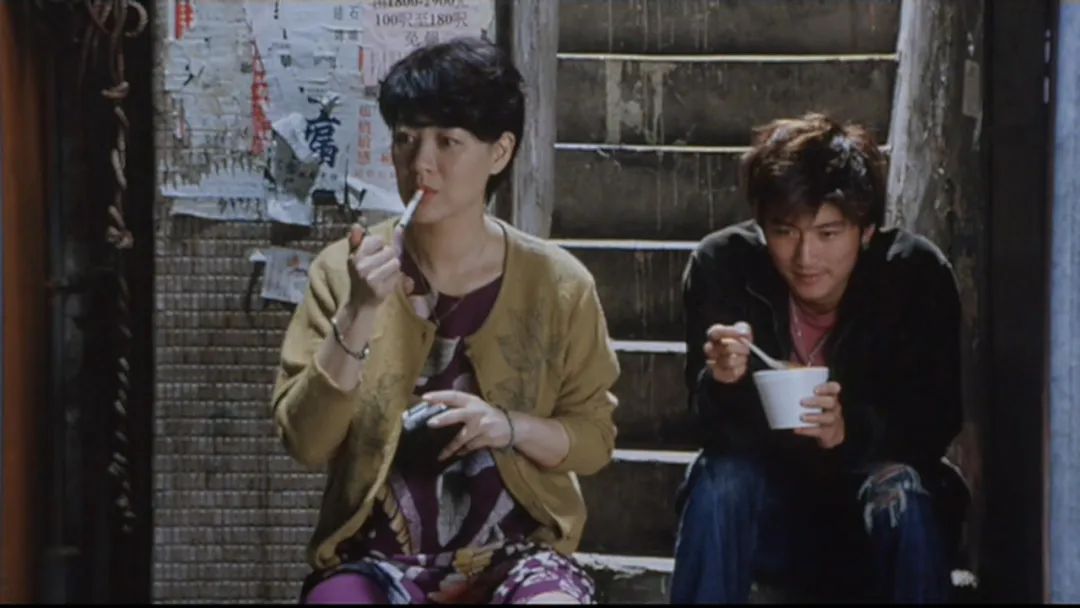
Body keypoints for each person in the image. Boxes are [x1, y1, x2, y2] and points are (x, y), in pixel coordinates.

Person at [271, 37, 620, 605]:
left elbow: (594, 441)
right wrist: (359, 311)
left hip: (518, 556)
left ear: (500, 152)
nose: (420, 164)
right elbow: (305, 442)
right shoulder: (342, 271)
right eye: (405, 139)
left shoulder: (560, 284)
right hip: (376, 559)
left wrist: (505, 427)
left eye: (447, 141)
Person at [671, 113, 969, 603]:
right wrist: (723, 380)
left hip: (872, 521)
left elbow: (937, 418)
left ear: (865, 231)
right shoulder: (724, 264)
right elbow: (708, 430)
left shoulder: (913, 274)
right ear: (763, 227)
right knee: (721, 481)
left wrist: (850, 430)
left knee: (900, 489)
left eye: (828, 234)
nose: (806, 257)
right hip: (769, 516)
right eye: (785, 232)